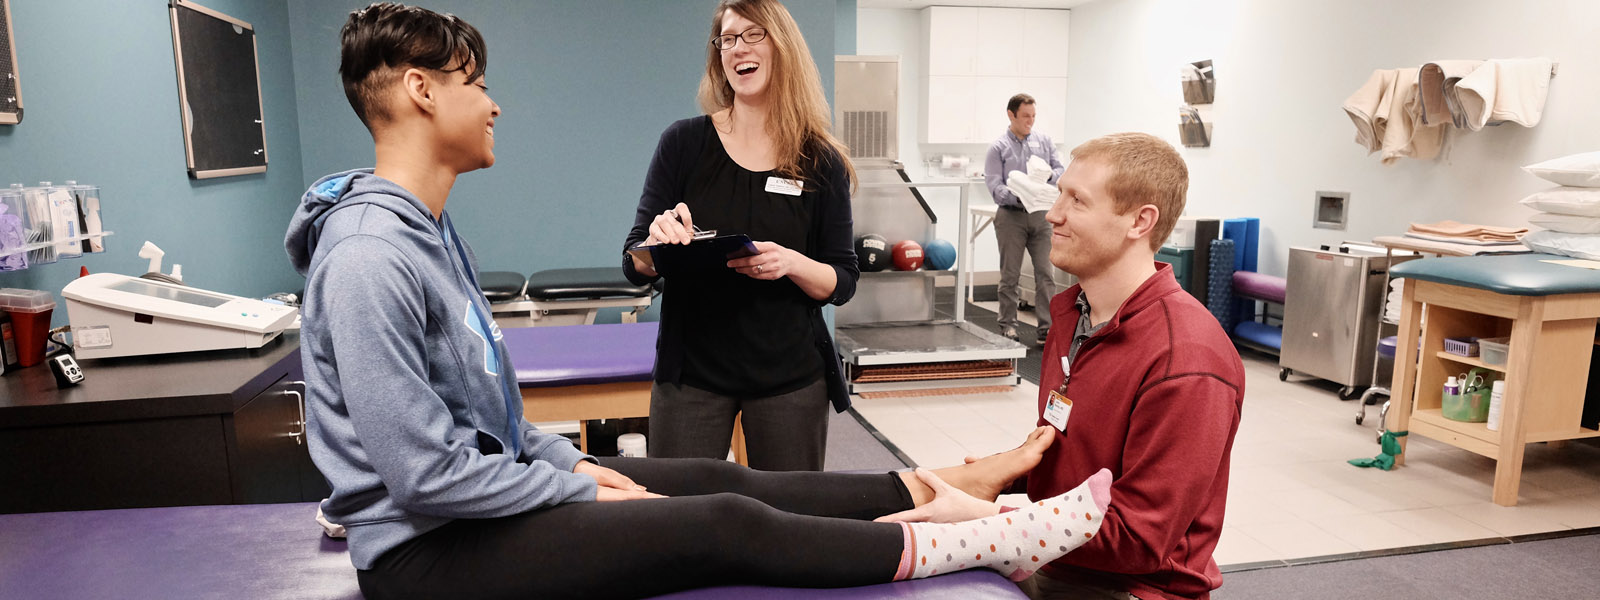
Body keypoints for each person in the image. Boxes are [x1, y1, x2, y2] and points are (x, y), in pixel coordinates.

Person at [285, 4, 1113, 599]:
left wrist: (570, 463)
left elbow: (487, 427)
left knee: (718, 479)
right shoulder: (369, 255)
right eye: (478, 85)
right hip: (424, 552)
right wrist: (581, 486)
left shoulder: (424, 233)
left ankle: (947, 483)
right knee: (723, 519)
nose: (495, 103)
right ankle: (979, 538)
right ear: (424, 92)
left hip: (476, 504)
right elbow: (425, 474)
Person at [621, 0, 857, 471]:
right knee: (678, 520)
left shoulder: (820, 160)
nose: (737, 49)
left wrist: (791, 262)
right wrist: (656, 242)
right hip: (692, 373)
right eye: (727, 39)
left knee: (788, 524)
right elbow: (634, 263)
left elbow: (843, 280)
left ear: (782, 46)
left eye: (753, 35)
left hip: (790, 375)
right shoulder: (683, 143)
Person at [1019, 133, 1246, 600]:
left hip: (1134, 588)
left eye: (1076, 201)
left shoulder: (1186, 358)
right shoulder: (1075, 314)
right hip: (1060, 560)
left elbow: (1138, 540)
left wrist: (987, 527)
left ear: (1140, 222)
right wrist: (995, 472)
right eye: (1059, 194)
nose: (1053, 214)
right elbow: (1075, 460)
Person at [985, 93, 1065, 345]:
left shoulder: (1044, 142)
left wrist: (1048, 175)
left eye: (1033, 116)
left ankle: (1047, 329)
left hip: (1041, 217)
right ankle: (1008, 325)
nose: (1030, 121)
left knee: (1045, 273)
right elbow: (994, 184)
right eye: (1025, 116)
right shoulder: (998, 148)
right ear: (1011, 115)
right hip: (1012, 217)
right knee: (1010, 275)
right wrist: (1021, 195)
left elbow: (1061, 170)